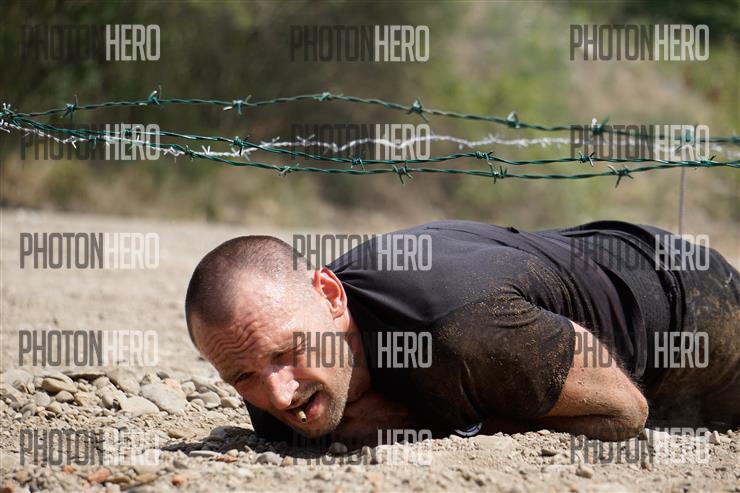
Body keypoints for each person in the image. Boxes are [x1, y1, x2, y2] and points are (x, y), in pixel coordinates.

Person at [184, 220, 739, 446]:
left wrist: (434, 425)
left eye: (288, 351)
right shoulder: (272, 378)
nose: (278, 394)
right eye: (242, 377)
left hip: (684, 302)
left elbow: (624, 411)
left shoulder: (456, 327)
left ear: (330, 296)